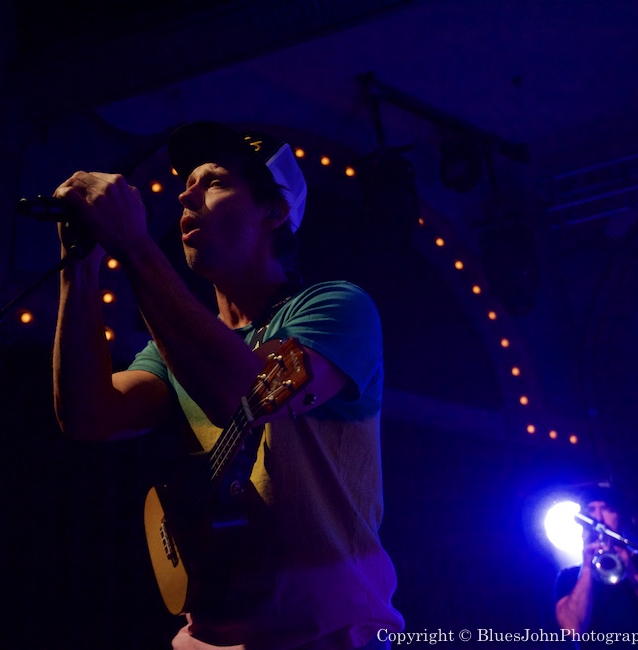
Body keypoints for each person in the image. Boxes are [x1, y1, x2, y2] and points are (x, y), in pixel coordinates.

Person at [51, 121, 404, 649]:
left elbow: (242, 391)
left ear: (275, 212)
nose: (185, 193)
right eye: (187, 181)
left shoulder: (337, 307)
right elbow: (87, 414)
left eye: (213, 181)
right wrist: (76, 269)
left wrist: (134, 244)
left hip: (330, 634)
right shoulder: (177, 350)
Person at [555, 486, 638, 648]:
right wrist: (587, 566)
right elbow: (572, 629)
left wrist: (632, 570)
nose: (598, 518)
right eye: (590, 510)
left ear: (622, 518)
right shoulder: (569, 577)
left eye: (607, 509)